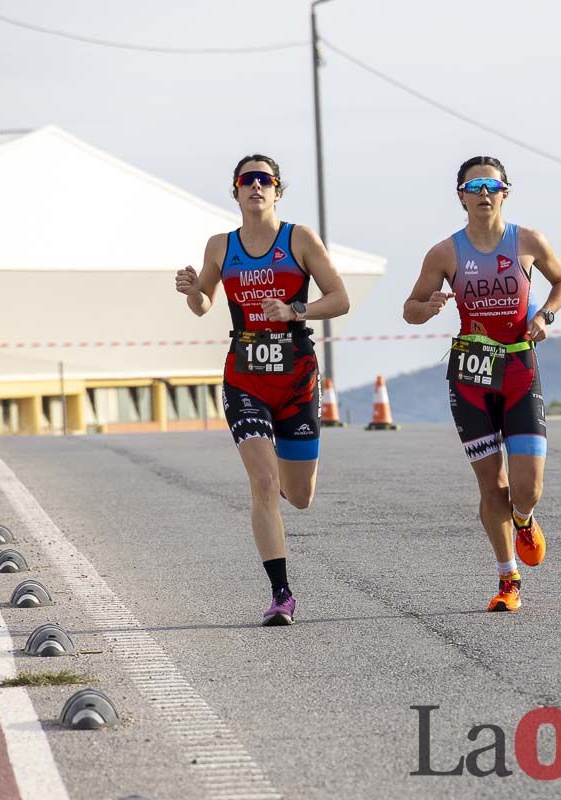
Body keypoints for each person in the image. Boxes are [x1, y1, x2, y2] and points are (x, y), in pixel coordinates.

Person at [175, 154, 349, 625]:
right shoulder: (220, 245)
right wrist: (193, 289)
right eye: (247, 180)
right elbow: (204, 303)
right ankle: (281, 594)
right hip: (244, 375)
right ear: (235, 191)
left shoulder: (299, 239)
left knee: (300, 493)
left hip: (296, 378)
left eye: (265, 180)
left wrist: (295, 311)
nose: (256, 187)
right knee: (263, 482)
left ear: (277, 191)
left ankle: (292, 482)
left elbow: (340, 298)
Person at [403, 156, 561, 612]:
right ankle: (508, 578)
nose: (483, 194)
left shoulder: (529, 240)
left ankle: (524, 518)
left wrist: (545, 315)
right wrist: (431, 305)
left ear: (504, 193)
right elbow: (410, 309)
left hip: (520, 370)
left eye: (491, 186)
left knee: (527, 487)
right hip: (471, 375)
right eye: (473, 186)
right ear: (460, 195)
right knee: (489, 484)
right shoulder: (445, 253)